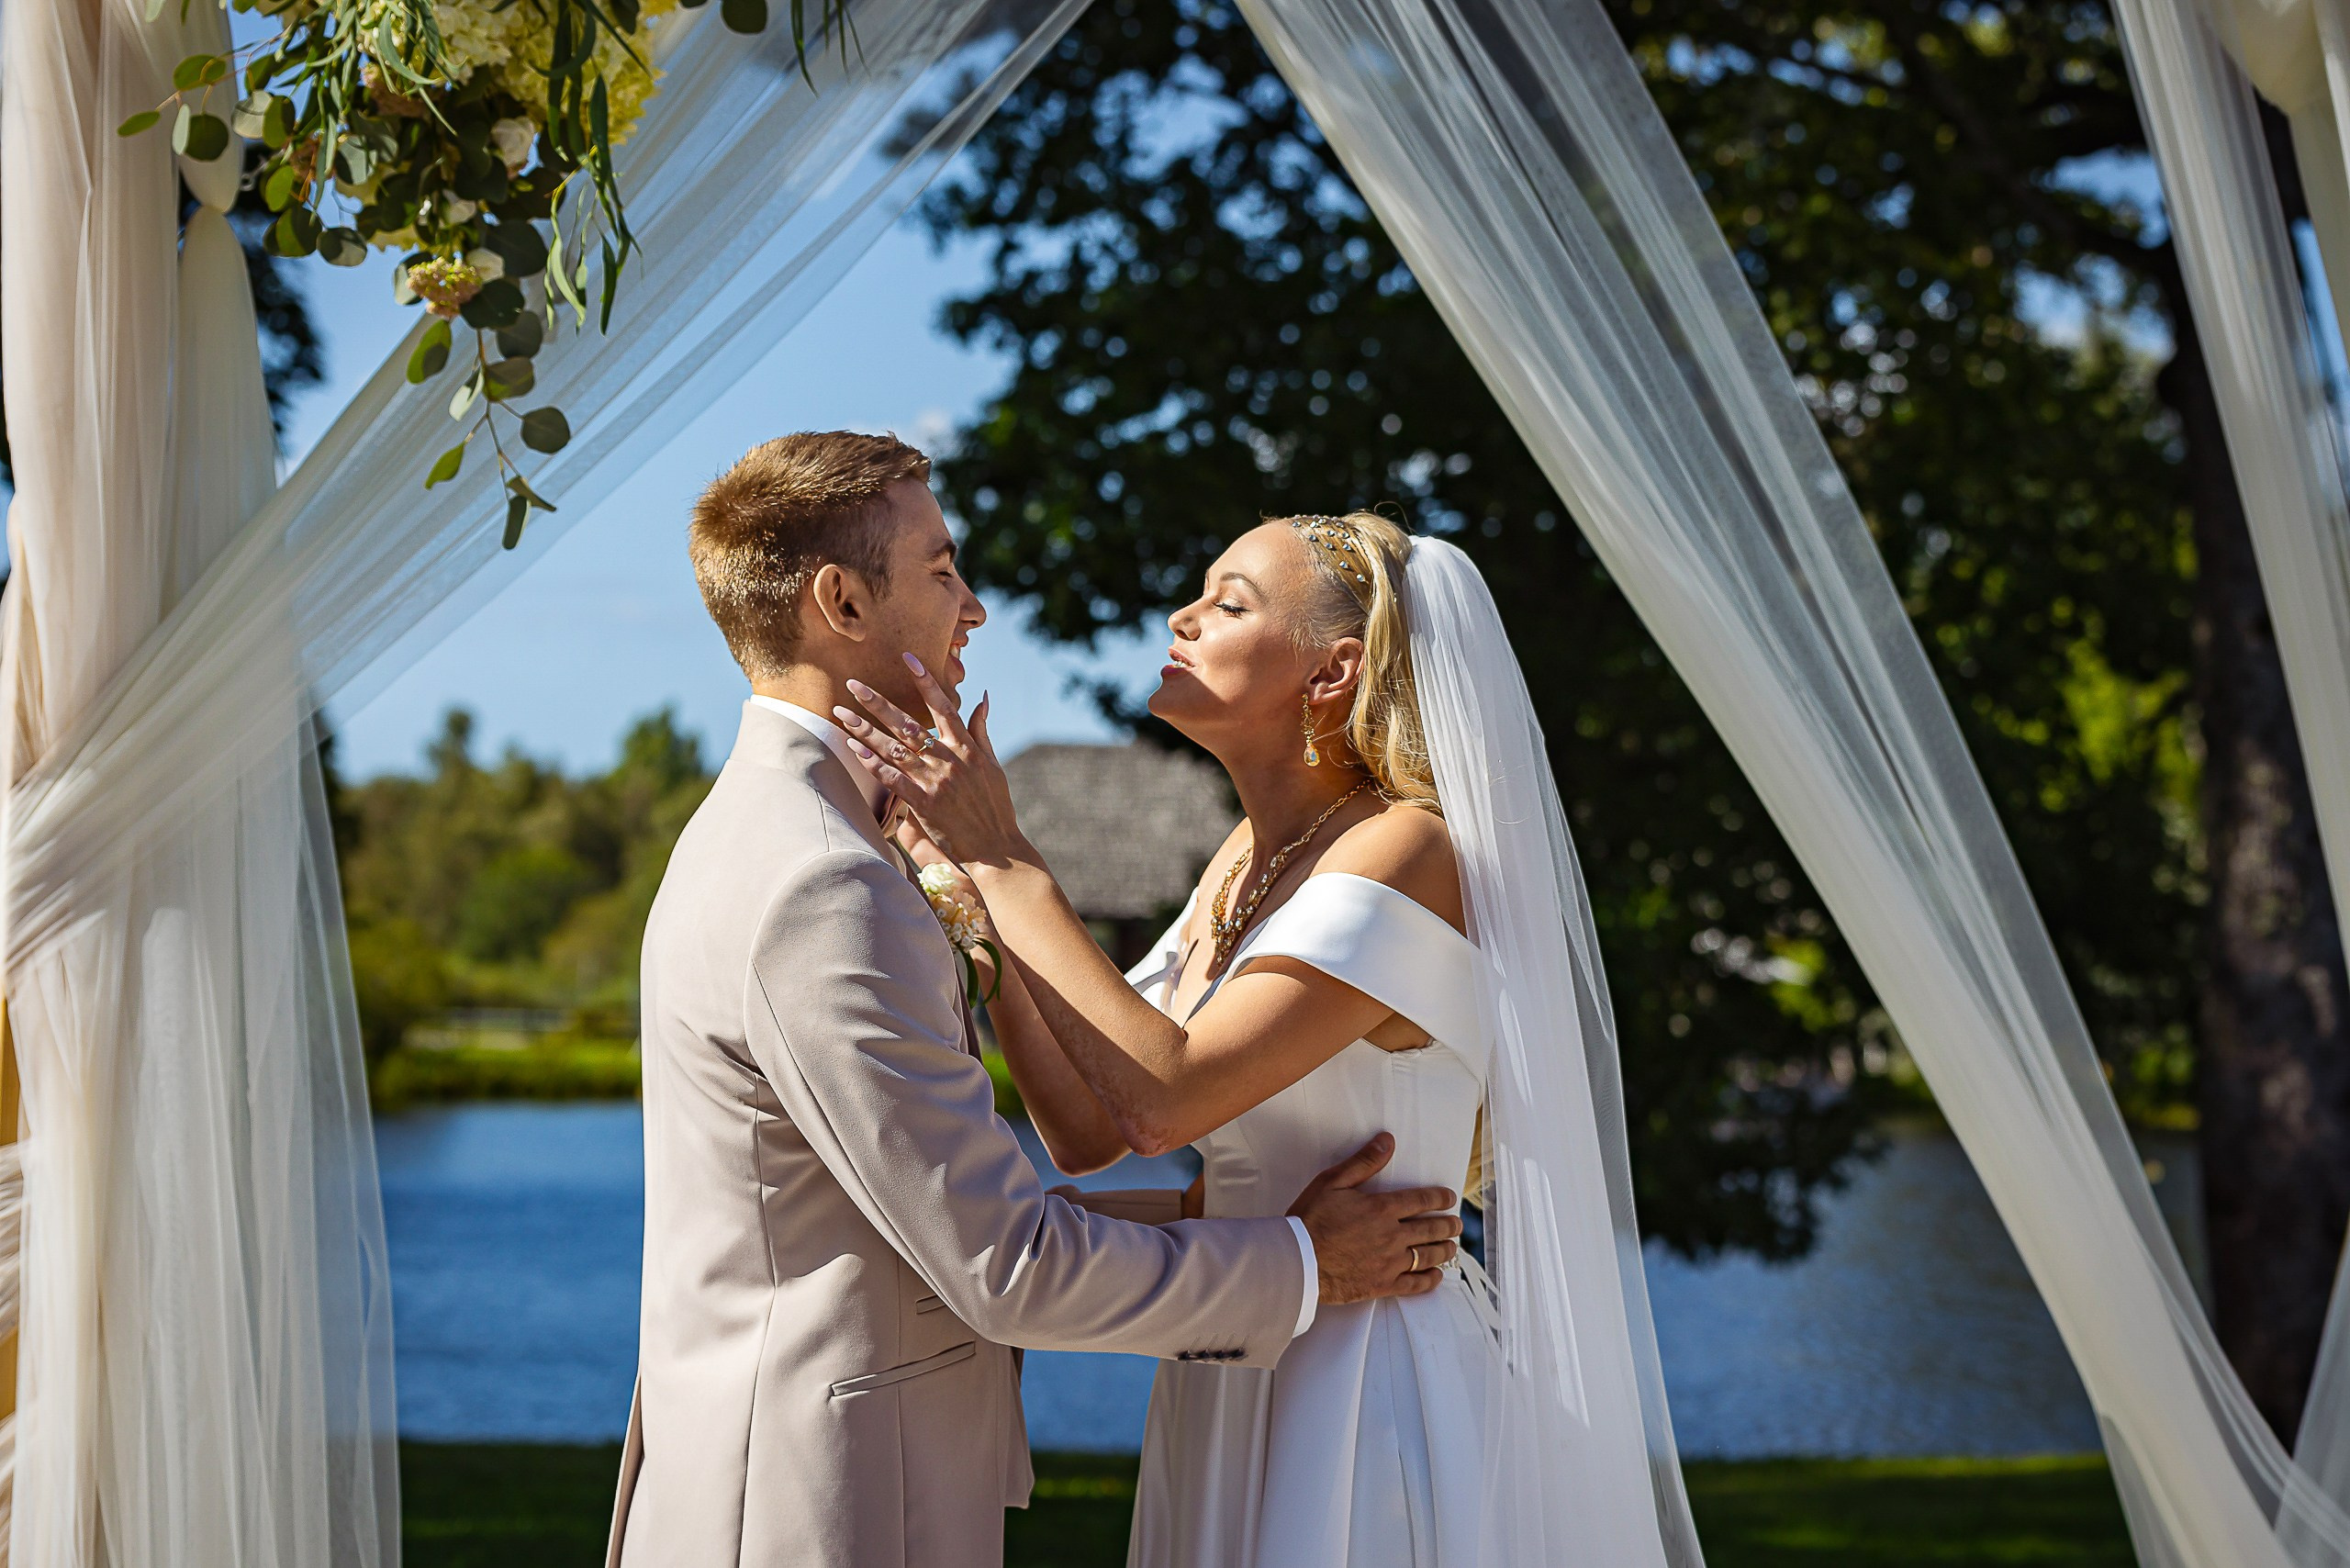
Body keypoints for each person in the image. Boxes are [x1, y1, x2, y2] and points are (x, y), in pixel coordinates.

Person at [606, 436, 1464, 1568]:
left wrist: (985, 886)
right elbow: (1010, 1246)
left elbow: (1075, 1142)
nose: (974, 608)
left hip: (1360, 1381)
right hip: (819, 1501)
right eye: (941, 571)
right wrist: (1301, 1259)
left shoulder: (788, 838)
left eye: (1228, 601)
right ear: (843, 603)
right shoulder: (824, 876)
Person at [839, 510, 1705, 1568]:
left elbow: (1164, 1101)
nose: (1181, 616)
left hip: (1367, 1382)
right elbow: (1085, 1123)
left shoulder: (1407, 851)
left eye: (1230, 602)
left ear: (1331, 672)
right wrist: (965, 886)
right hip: (1240, 1348)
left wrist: (1005, 854)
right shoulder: (1243, 859)